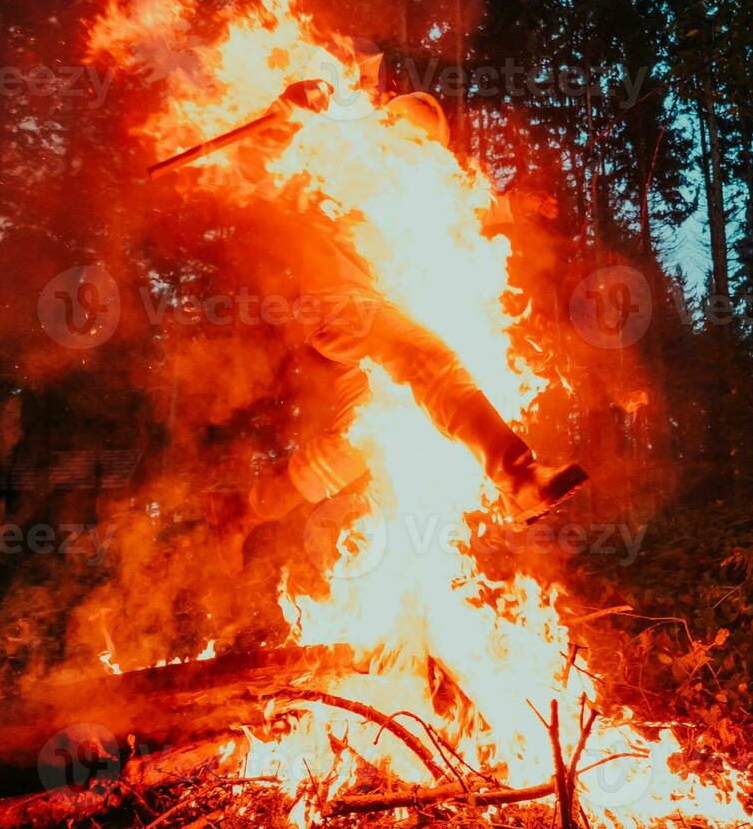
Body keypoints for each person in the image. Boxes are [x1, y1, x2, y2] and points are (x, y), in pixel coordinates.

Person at [213, 86, 589, 571]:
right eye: (405, 129)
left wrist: (516, 206)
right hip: (335, 301)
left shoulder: (416, 191)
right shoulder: (338, 167)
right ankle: (518, 475)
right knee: (427, 358)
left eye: (425, 142)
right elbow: (256, 168)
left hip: (372, 319)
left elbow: (464, 207)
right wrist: (287, 112)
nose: (412, 145)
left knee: (356, 445)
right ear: (384, 127)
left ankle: (241, 511)